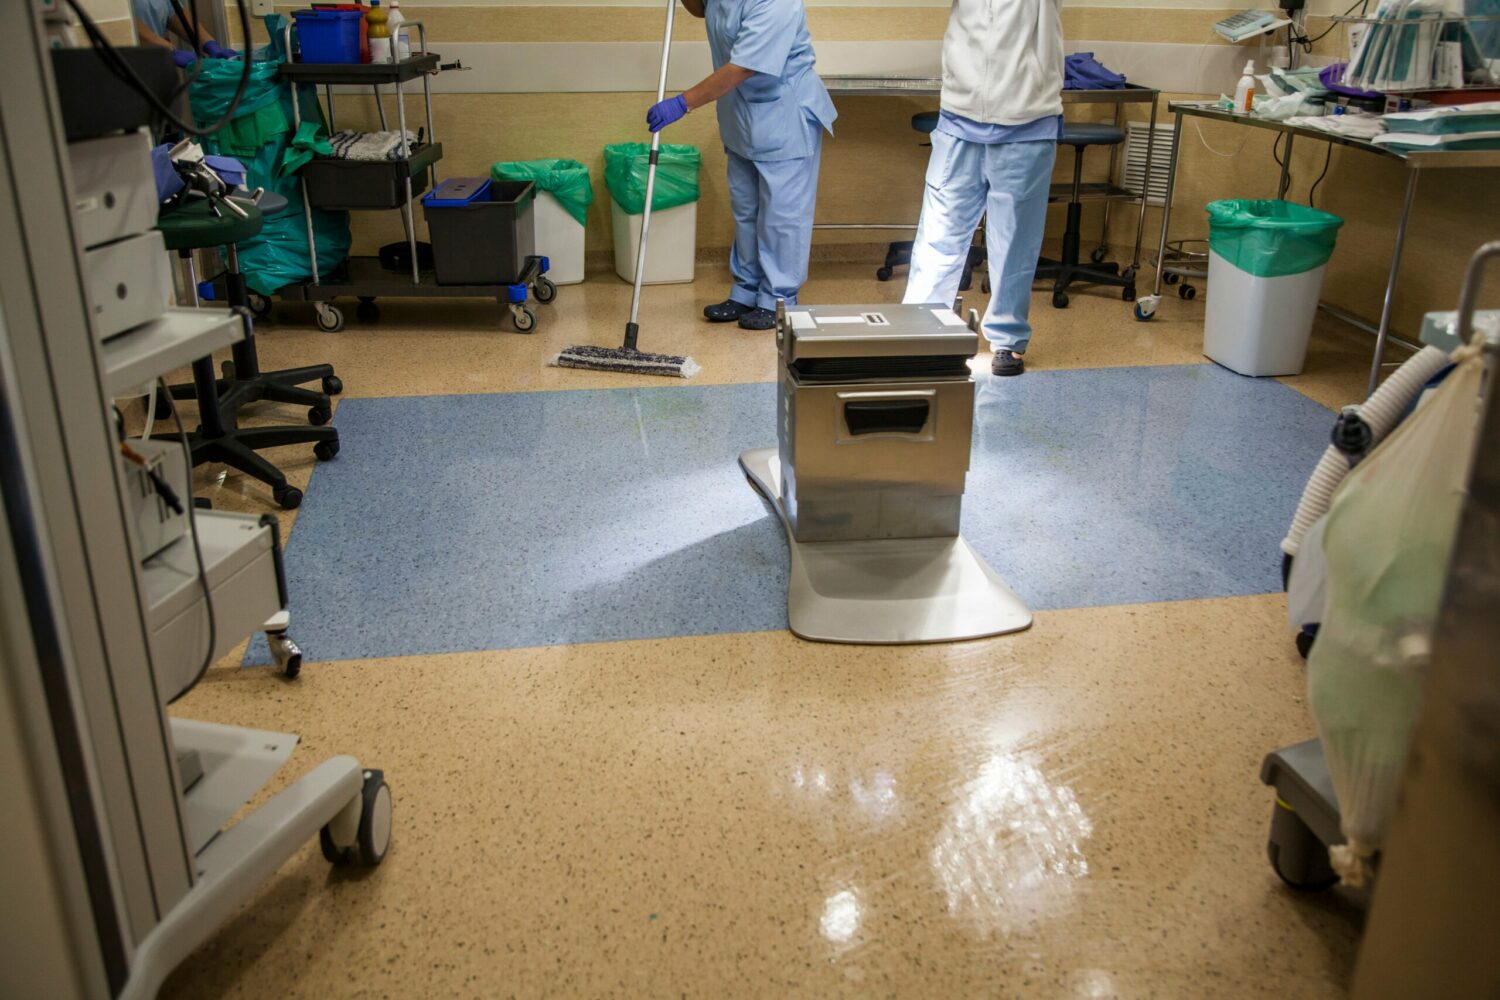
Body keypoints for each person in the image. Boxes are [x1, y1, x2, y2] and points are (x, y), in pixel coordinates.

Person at [646, 0, 835, 331]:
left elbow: (744, 66)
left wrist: (683, 102)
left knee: (782, 216)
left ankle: (778, 299)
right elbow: (702, 8)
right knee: (746, 210)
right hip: (742, 118)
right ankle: (746, 291)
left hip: (784, 116)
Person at [902, 0, 1063, 377]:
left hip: (1027, 121)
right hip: (959, 117)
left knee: (1014, 242)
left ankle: (1007, 340)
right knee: (938, 235)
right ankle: (919, 332)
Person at [132, 0, 239, 66]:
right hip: (130, 68)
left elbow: (174, 13)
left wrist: (209, 43)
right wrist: (170, 52)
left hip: (156, 67)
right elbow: (127, 24)